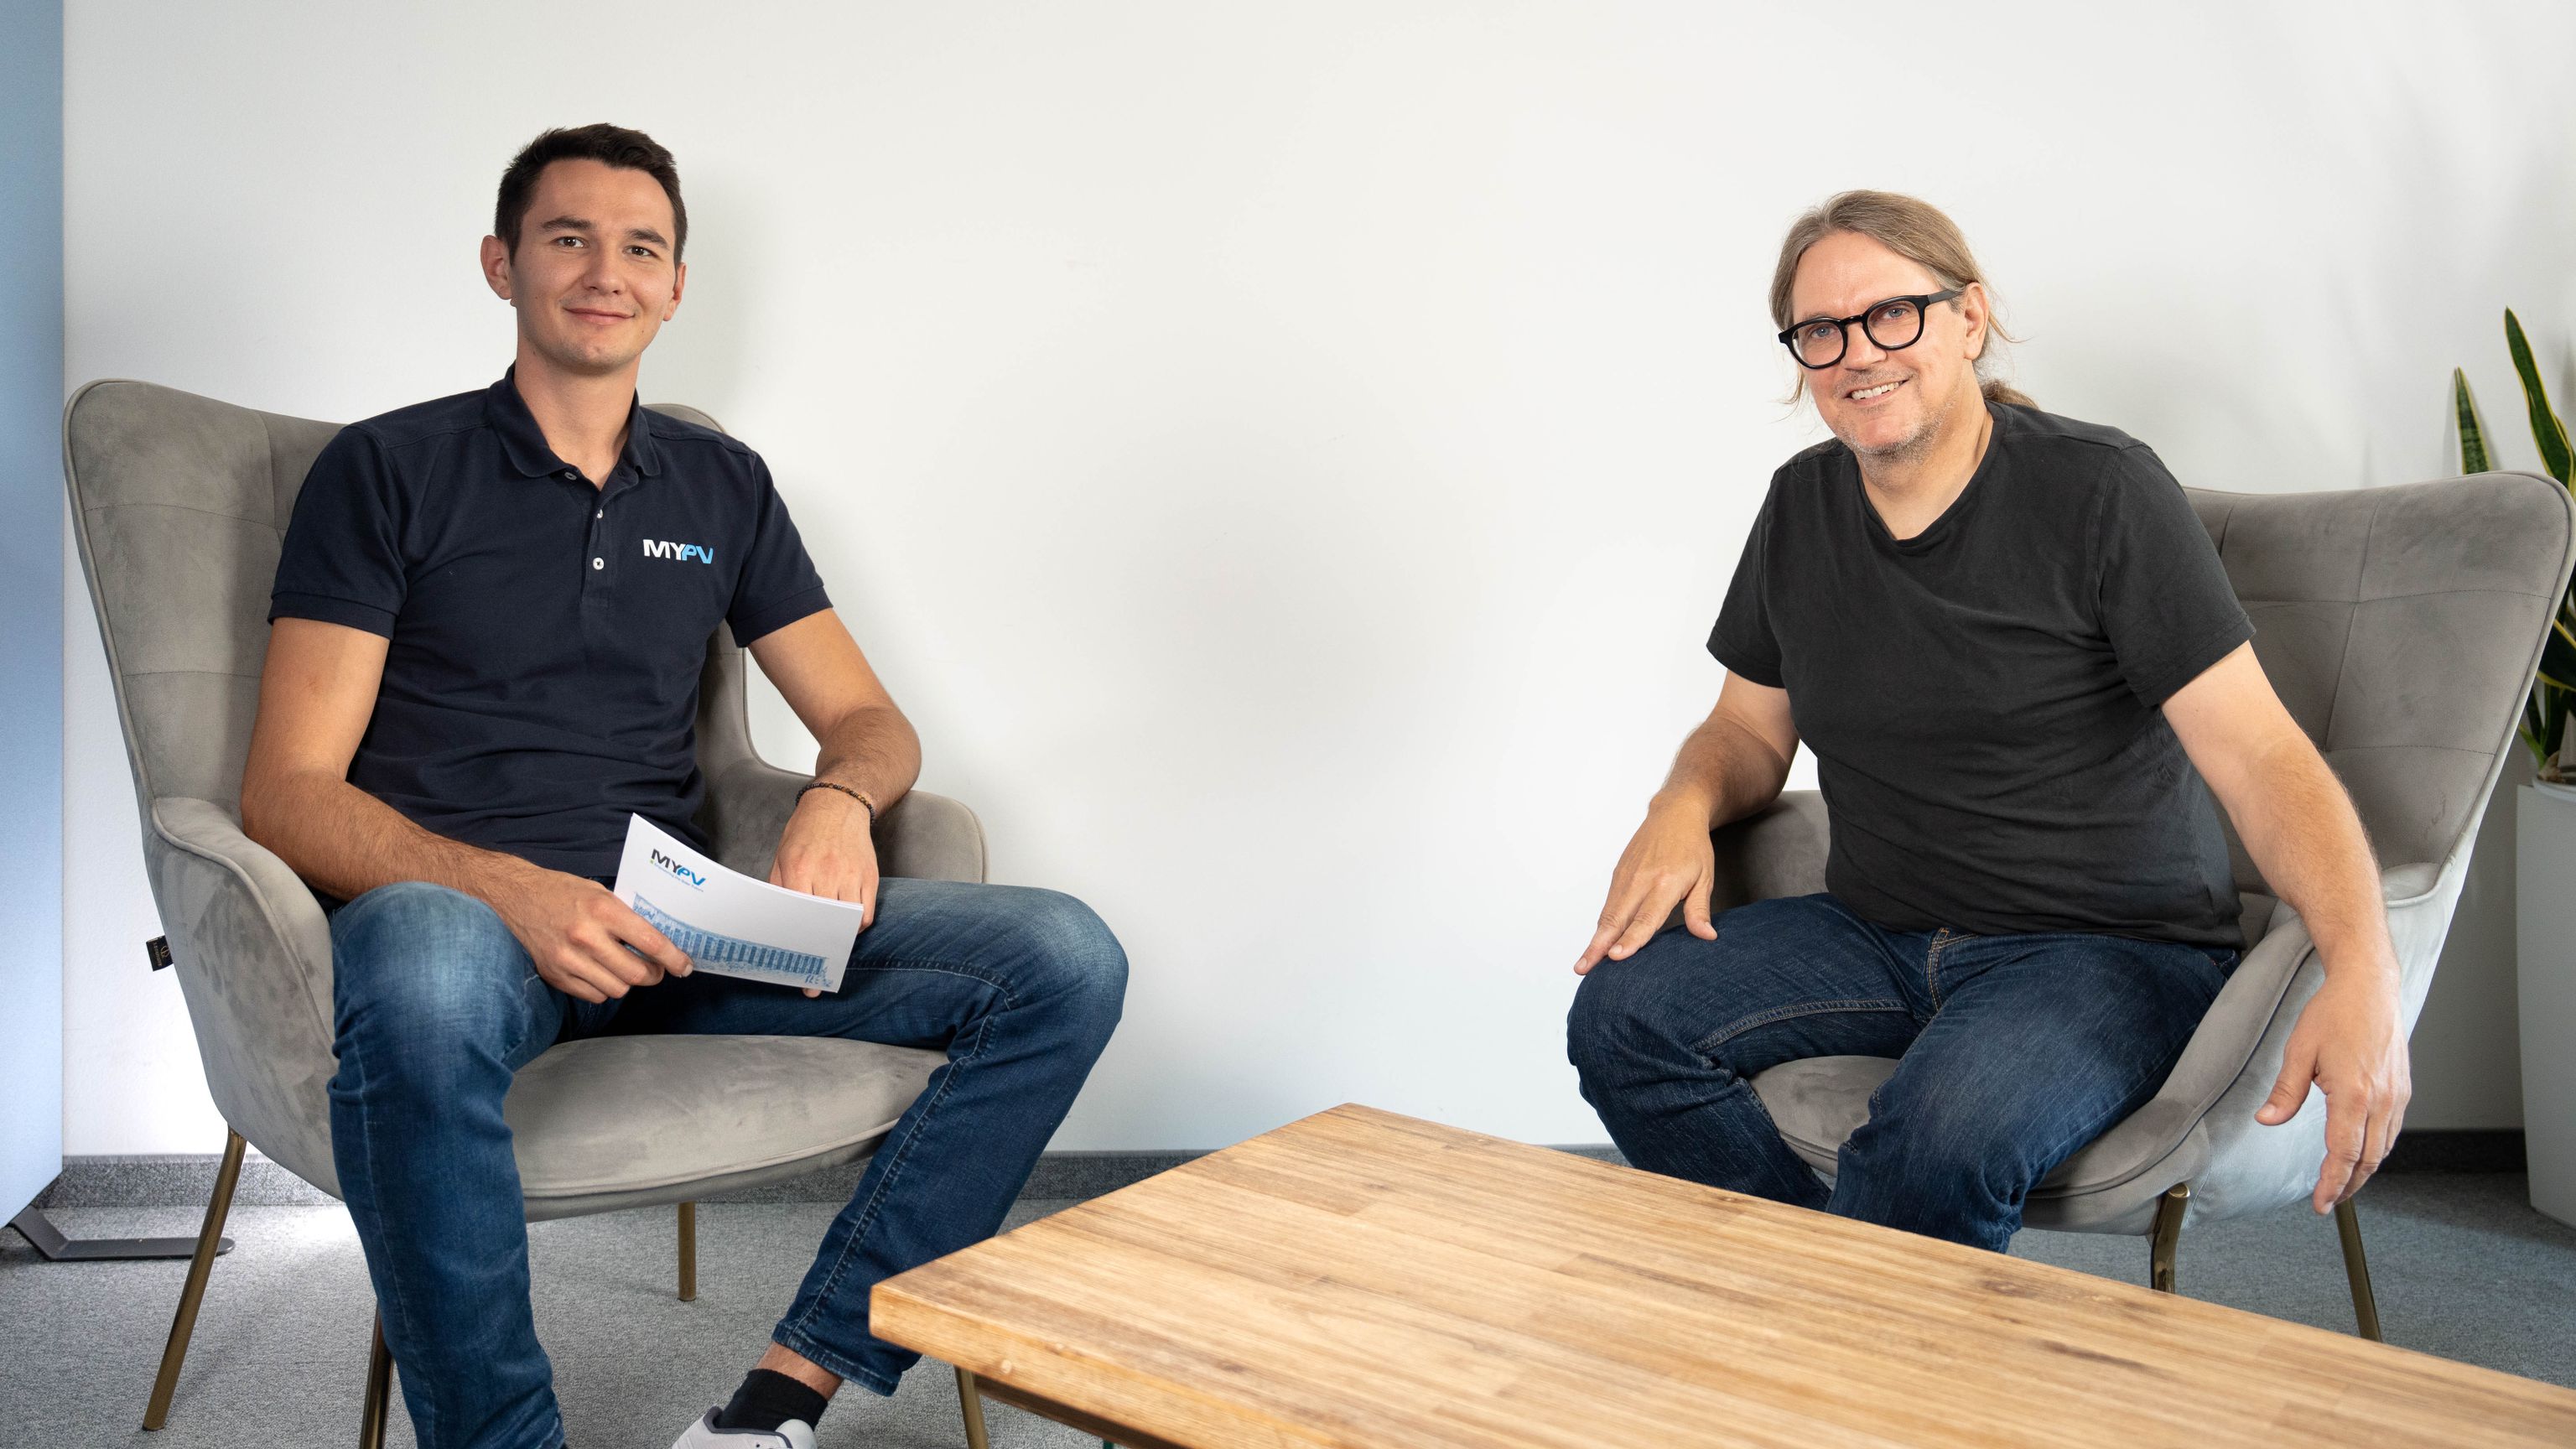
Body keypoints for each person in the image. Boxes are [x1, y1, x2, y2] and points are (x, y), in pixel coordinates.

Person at [240, 123, 1127, 1449]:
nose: (607, 270)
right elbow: (287, 795)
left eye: (639, 246)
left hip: (682, 923)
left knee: (1064, 957)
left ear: (675, 286)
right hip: (463, 919)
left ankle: (785, 1394)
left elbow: (871, 721)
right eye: (568, 238)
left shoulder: (722, 482)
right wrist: (512, 895)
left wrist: (836, 799)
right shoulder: (388, 470)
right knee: (420, 970)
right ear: (501, 265)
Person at [1563, 190, 2410, 1253]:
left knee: (1937, 1143)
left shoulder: (2101, 492)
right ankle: (1825, 1294)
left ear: (1969, 319)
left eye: (1892, 314)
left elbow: (2259, 753)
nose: (1857, 352)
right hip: (1874, 928)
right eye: (1820, 331)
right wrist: (1679, 804)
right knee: (1621, 1019)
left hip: (2106, 952)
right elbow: (1744, 731)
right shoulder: (1799, 507)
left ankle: (1863, 1360)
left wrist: (2366, 968)